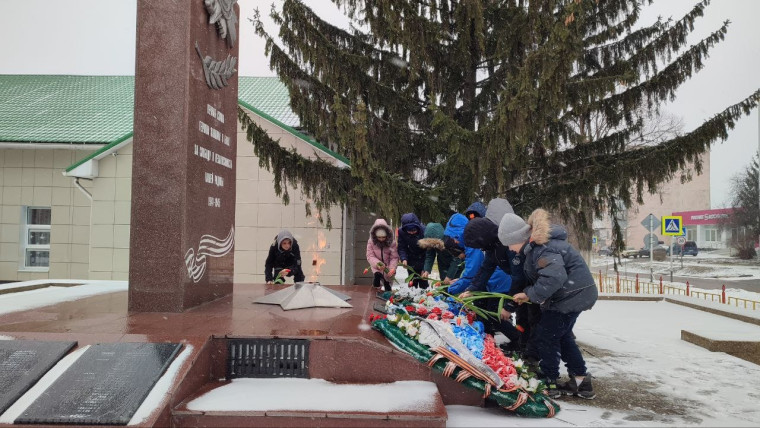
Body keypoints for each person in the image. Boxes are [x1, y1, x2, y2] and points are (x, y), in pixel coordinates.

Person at [498, 209, 598, 400]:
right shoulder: (536, 248)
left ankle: (550, 380)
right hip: (575, 294)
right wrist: (528, 294)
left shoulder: (543, 248)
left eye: (510, 244)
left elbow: (554, 278)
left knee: (546, 336)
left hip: (570, 296)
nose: (510, 249)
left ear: (519, 237)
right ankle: (580, 380)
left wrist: (530, 295)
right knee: (562, 336)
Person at [463, 198, 541, 357]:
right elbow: (485, 269)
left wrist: (509, 305)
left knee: (531, 319)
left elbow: (519, 278)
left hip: (530, 287)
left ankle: (532, 354)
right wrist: (471, 289)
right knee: (523, 319)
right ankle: (523, 347)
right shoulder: (493, 246)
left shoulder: (508, 244)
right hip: (521, 288)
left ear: (483, 238)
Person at [366, 219, 399, 291]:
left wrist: (392, 267)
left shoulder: (391, 243)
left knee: (388, 286)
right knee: (376, 285)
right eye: (379, 237)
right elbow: (370, 256)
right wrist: (378, 263)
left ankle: (386, 286)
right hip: (377, 267)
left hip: (388, 268)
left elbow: (394, 257)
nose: (381, 239)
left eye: (383, 237)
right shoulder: (371, 242)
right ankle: (377, 281)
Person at [397, 213, 428, 288]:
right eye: (409, 231)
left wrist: (425, 268)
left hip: (423, 257)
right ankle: (411, 295)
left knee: (423, 280)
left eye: (414, 230)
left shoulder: (424, 231)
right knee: (412, 281)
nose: (412, 233)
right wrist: (403, 258)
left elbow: (429, 251)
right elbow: (401, 247)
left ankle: (424, 296)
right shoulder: (401, 232)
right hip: (411, 257)